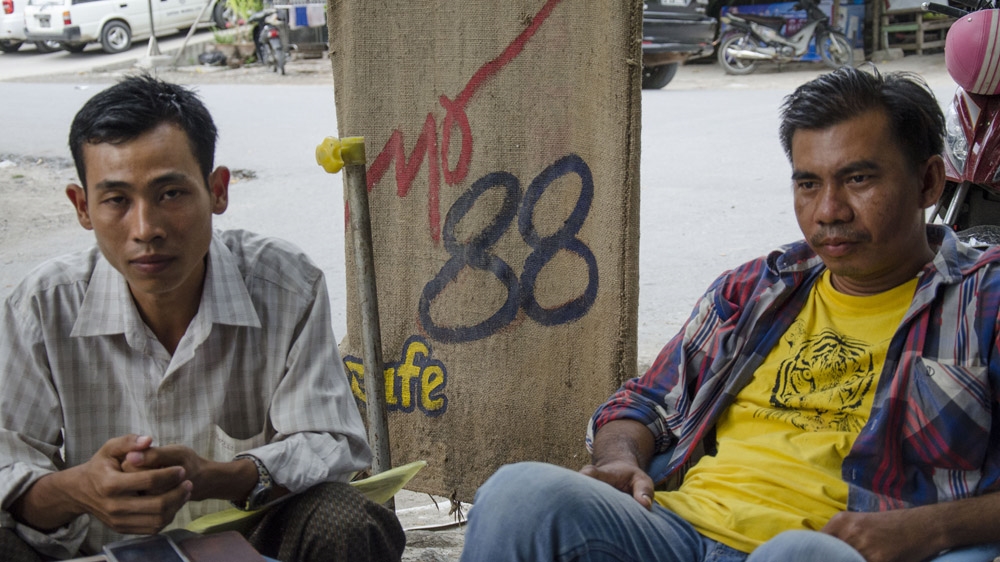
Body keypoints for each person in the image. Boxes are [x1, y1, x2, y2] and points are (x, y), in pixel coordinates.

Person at [460, 66, 1000, 562]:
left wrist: (932, 528)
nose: (828, 211)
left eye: (858, 180)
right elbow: (643, 403)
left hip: (828, 551)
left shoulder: (983, 304)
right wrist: (619, 459)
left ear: (928, 182)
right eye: (808, 184)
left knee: (797, 554)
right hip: (679, 532)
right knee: (517, 493)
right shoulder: (757, 288)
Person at [0, 75, 405, 562]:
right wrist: (80, 490)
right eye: (117, 200)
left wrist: (218, 477)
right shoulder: (43, 306)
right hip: (90, 552)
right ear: (83, 207)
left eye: (170, 193)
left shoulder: (286, 287)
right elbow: (8, 466)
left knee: (349, 520)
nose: (146, 229)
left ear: (217, 191)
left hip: (250, 547)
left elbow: (331, 442)